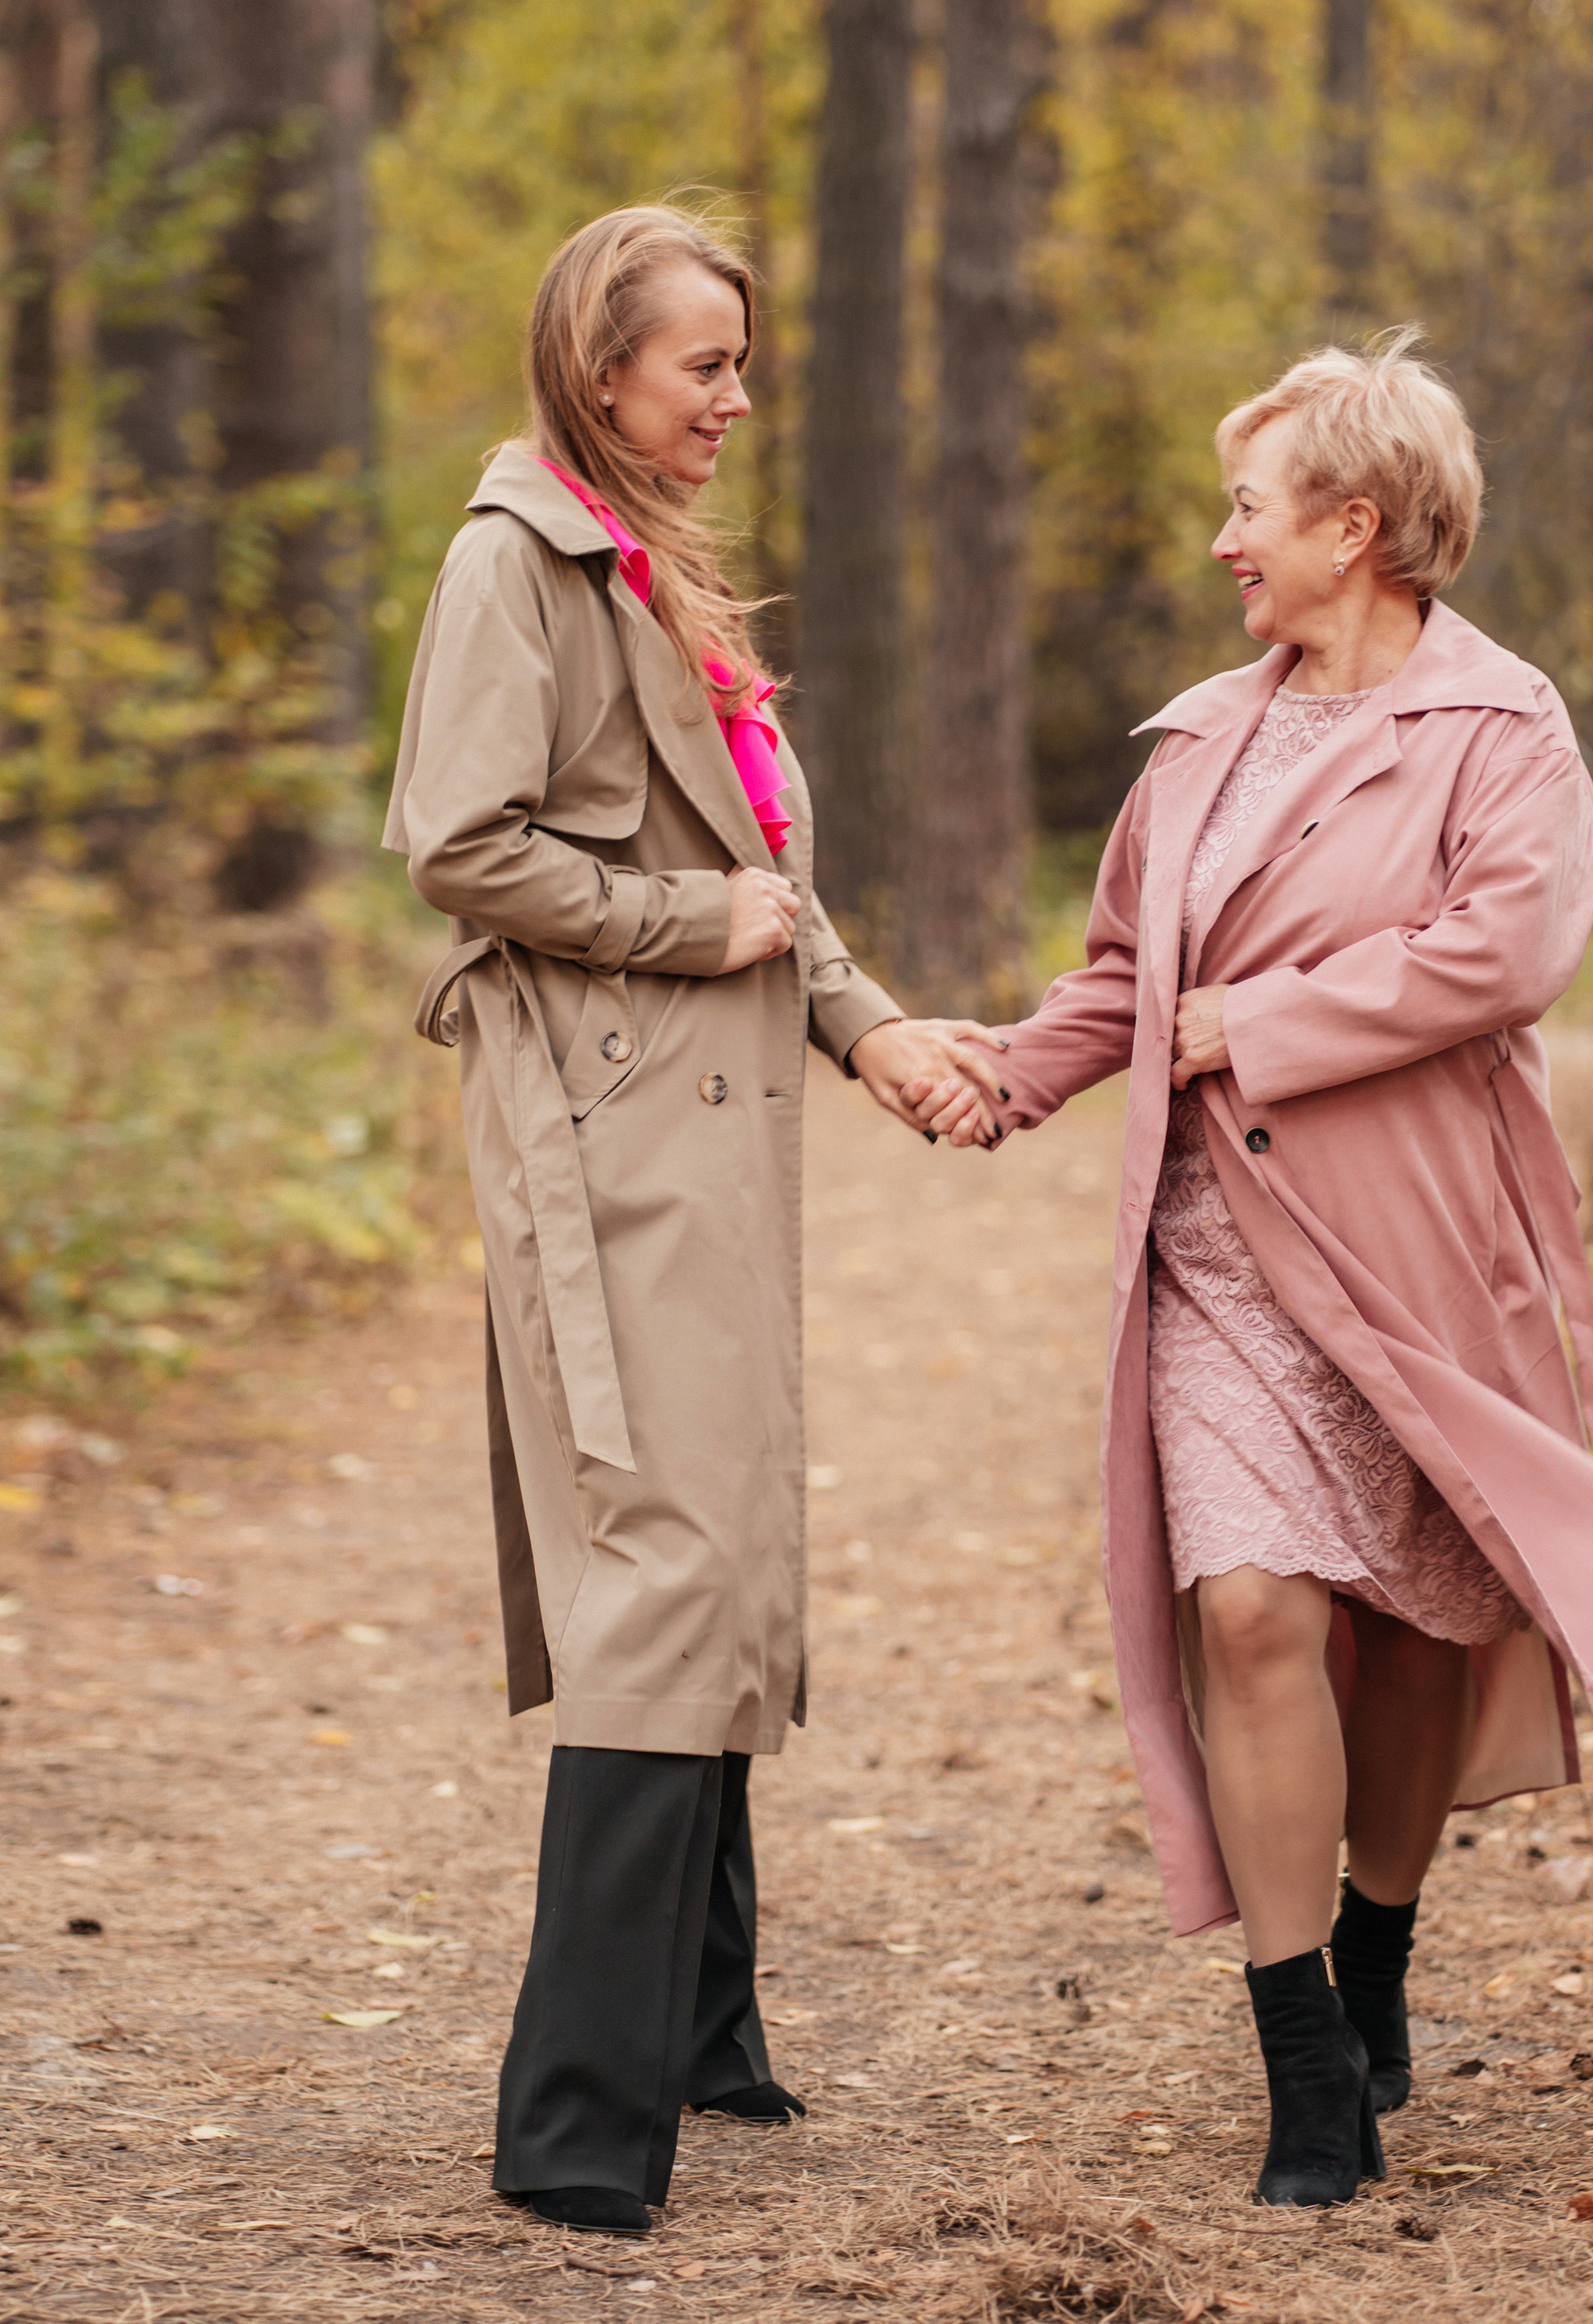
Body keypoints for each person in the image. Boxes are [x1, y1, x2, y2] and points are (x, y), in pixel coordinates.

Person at [911, 334, 1593, 2208]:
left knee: (1406, 1640)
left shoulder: (1501, 727)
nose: (1226, 541)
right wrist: (1005, 1072)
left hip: (1415, 1262)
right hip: (1217, 1258)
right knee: (1248, 1614)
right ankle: (1302, 2056)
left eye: (1250, 504)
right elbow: (1121, 979)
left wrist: (1262, 1020)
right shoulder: (1198, 739)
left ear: (1354, 523)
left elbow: (1508, 948)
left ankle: (1378, 1952)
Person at [384, 203, 1002, 2238]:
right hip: (602, 1116)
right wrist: (684, 925)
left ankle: (704, 2034)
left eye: (742, 362)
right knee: (662, 1552)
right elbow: (457, 844)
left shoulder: (662, 576)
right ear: (598, 369)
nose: (736, 399)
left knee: (721, 1529)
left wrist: (877, 1031)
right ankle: (575, 2124)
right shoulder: (516, 567)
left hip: (707, 1116)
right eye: (702, 366)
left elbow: (771, 882)